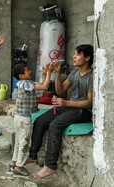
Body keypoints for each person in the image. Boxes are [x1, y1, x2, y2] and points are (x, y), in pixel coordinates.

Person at [26, 44, 94, 179]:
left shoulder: (92, 76)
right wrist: (57, 73)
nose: (74, 57)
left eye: (78, 54)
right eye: (74, 54)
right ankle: (33, 156)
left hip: (83, 111)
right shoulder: (74, 73)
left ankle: (50, 166)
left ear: (87, 58)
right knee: (40, 120)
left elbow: (90, 102)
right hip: (70, 106)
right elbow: (60, 91)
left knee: (55, 125)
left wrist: (66, 103)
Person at [8, 62, 54, 176]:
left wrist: (45, 75)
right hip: (24, 119)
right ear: (21, 75)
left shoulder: (25, 83)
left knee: (19, 141)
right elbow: (44, 87)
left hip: (19, 117)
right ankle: (19, 166)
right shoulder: (25, 83)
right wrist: (49, 73)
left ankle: (14, 163)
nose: (30, 71)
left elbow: (41, 85)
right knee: (24, 143)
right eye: (27, 70)